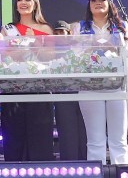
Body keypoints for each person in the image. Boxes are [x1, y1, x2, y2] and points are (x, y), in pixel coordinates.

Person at [71, 0, 128, 164]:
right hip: (89, 87)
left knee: (119, 140)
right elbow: (74, 55)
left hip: (117, 87)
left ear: (110, 4)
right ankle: (96, 173)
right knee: (95, 140)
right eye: (94, 0)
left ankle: (121, 172)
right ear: (89, 5)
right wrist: (94, 49)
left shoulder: (121, 27)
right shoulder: (79, 27)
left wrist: (113, 47)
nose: (98, 3)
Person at [0, 0, 55, 162]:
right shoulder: (7, 30)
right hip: (13, 89)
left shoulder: (46, 29)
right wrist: (19, 50)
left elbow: (51, 58)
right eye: (20, 0)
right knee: (14, 141)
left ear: (35, 4)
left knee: (40, 141)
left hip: (39, 88)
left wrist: (34, 43)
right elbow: (2, 58)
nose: (23, 3)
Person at [52, 20, 87, 160]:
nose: (59, 36)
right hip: (63, 93)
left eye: (62, 32)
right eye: (56, 33)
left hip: (82, 92)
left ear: (70, 33)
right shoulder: (51, 51)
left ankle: (88, 164)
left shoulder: (80, 47)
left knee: (84, 132)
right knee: (67, 133)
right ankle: (70, 165)